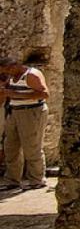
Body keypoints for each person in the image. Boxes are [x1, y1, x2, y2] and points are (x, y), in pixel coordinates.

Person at [0, 60, 48, 189]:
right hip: (14, 112)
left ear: (14, 66)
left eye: (7, 70)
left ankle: (37, 179)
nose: (6, 73)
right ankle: (12, 179)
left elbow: (44, 94)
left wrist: (16, 95)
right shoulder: (10, 77)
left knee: (32, 146)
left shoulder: (32, 75)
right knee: (10, 146)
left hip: (31, 111)